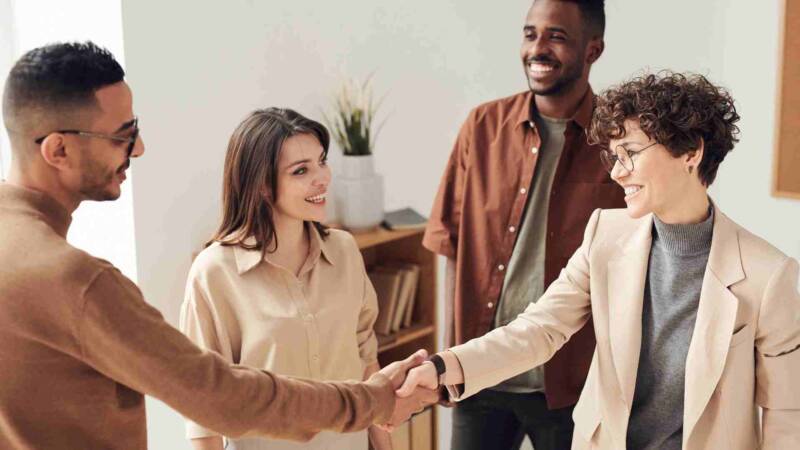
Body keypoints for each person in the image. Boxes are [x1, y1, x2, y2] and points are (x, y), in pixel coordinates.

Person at [0, 41, 437, 450]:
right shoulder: (80, 282)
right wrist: (371, 401)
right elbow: (217, 397)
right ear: (57, 150)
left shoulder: (341, 250)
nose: (139, 149)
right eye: (123, 135)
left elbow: (361, 349)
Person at [399, 71, 800, 450]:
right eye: (613, 156)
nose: (617, 173)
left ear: (691, 152)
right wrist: (442, 366)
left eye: (630, 153)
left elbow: (787, 414)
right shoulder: (605, 235)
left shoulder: (768, 274)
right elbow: (538, 329)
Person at [422, 0, 623, 448]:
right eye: (530, 34)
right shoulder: (482, 127)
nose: (538, 48)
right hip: (478, 376)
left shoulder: (618, 141)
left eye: (556, 36)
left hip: (572, 384)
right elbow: (452, 248)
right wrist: (448, 357)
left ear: (593, 50)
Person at [179, 108, 393, 450]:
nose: (322, 178)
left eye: (322, 162)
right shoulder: (215, 272)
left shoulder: (344, 251)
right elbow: (203, 406)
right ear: (262, 185)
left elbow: (367, 361)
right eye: (301, 171)